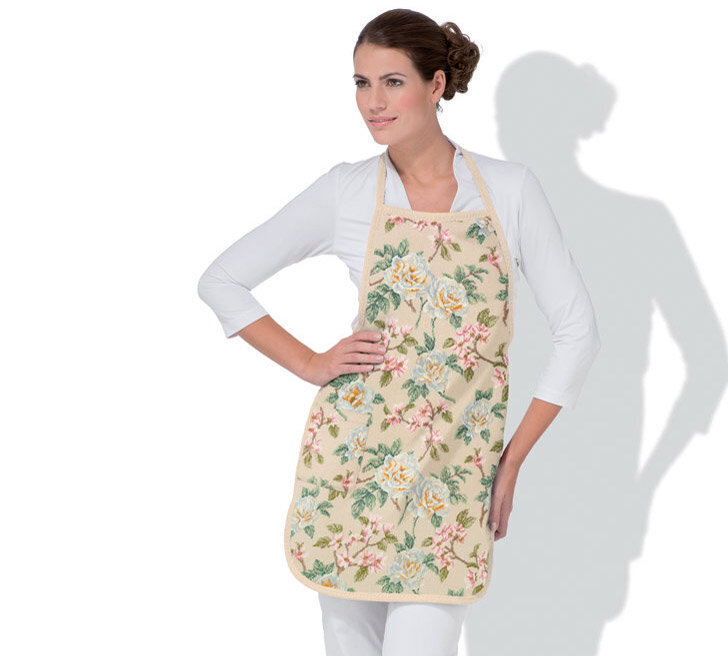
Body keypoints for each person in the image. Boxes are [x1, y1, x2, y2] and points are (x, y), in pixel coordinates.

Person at [197, 8, 601, 656]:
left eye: (392, 82)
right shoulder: (348, 190)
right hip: (352, 467)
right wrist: (309, 362)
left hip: (452, 475)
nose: (373, 103)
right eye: (361, 83)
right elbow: (222, 280)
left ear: (436, 85)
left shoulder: (508, 189)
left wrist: (510, 462)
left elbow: (577, 331)